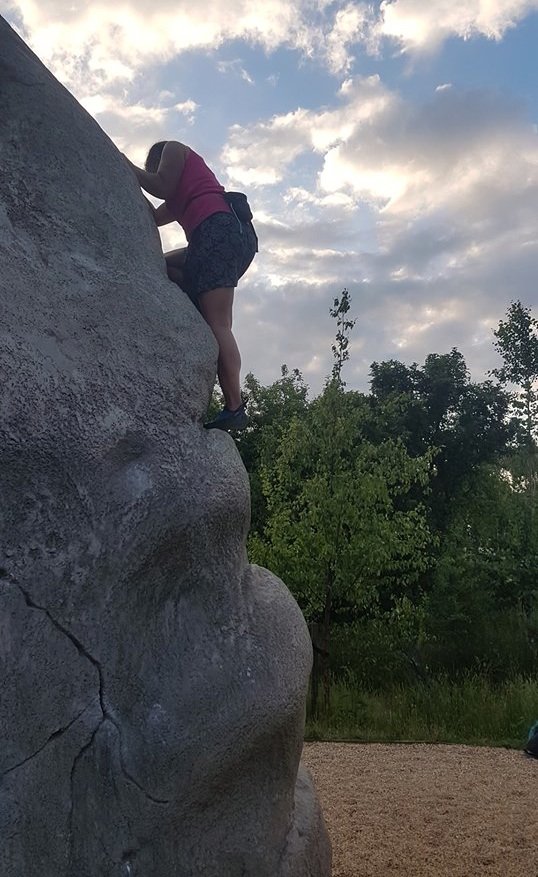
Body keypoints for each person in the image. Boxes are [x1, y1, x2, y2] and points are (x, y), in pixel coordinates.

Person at [124, 141, 257, 431]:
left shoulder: (173, 149)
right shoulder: (182, 198)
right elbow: (155, 216)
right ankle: (197, 298)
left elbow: (159, 184)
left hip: (217, 231)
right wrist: (129, 182)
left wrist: (124, 164)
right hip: (216, 238)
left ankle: (235, 406)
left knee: (219, 324)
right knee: (161, 264)